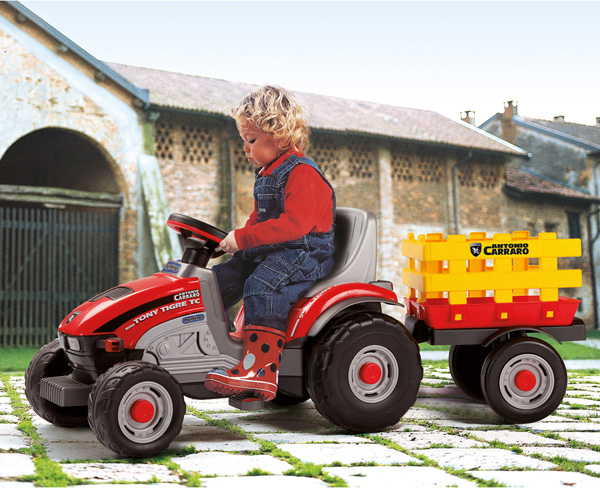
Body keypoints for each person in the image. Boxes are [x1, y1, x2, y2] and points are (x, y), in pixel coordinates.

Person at [204, 85, 336, 401]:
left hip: (305, 252)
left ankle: (260, 371)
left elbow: (295, 226)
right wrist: (232, 242)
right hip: (277, 248)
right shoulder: (266, 173)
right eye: (243, 140)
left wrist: (245, 239)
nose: (245, 148)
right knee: (220, 279)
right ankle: (206, 345)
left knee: (262, 286)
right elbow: (258, 220)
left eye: (251, 140)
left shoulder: (303, 174)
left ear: (279, 136)